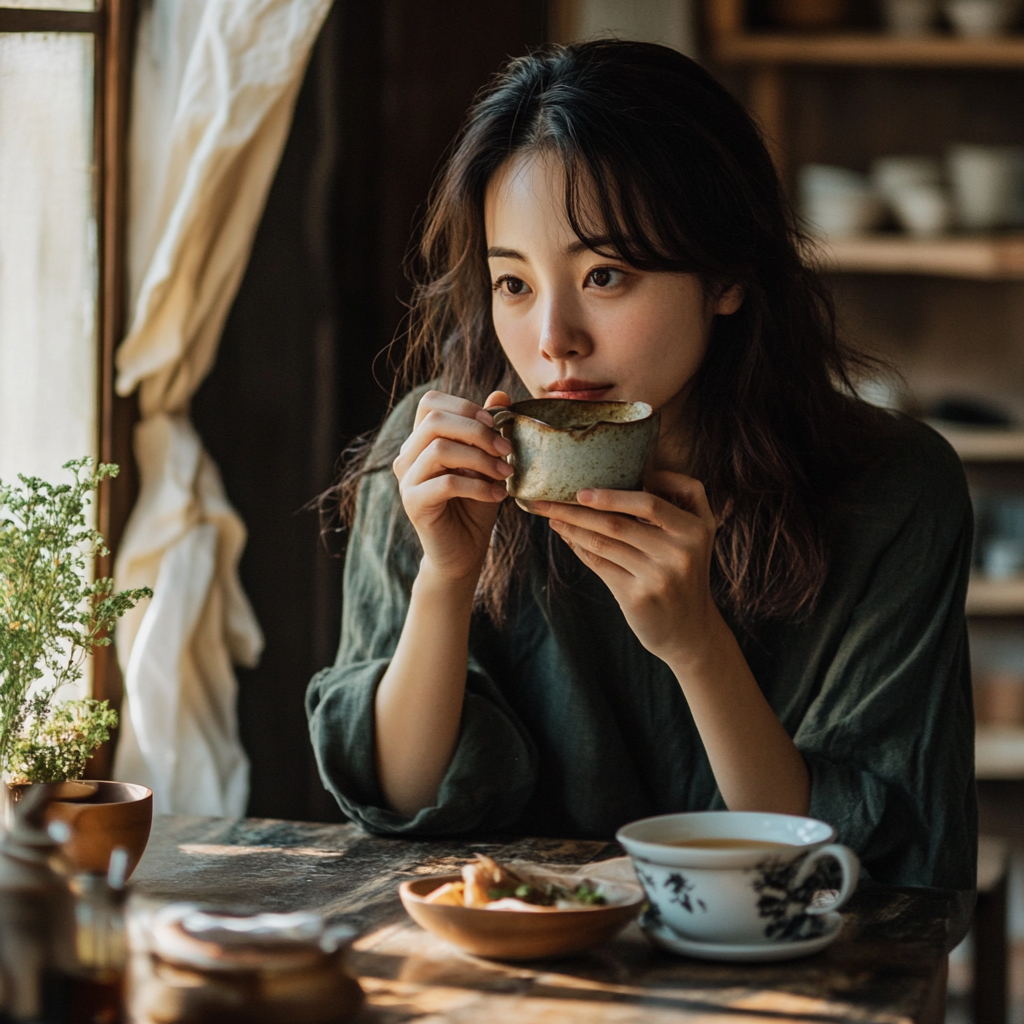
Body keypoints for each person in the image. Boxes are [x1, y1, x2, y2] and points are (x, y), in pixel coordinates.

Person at [307, 40, 975, 891]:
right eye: (513, 284)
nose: (553, 339)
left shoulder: (895, 489)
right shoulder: (443, 453)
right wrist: (445, 575)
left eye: (606, 275)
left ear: (727, 277)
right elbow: (397, 796)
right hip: (515, 963)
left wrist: (697, 647)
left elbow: (838, 862)